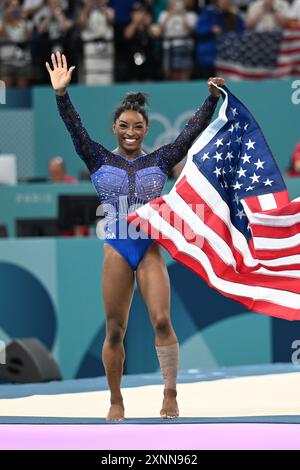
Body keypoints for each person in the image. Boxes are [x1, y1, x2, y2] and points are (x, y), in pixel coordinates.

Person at [46, 51, 224, 421]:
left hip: (149, 248)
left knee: (161, 320)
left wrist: (211, 99)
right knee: (114, 331)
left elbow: (191, 133)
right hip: (116, 245)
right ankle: (115, 399)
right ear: (115, 127)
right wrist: (62, 95)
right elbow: (74, 128)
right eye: (124, 126)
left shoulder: (160, 159)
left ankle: (170, 393)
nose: (130, 132)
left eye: (138, 127)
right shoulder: (97, 157)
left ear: (147, 129)